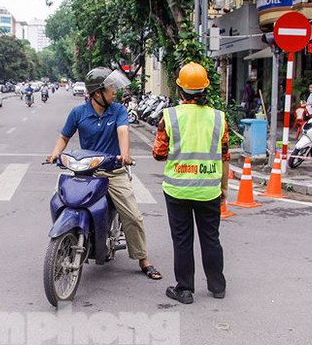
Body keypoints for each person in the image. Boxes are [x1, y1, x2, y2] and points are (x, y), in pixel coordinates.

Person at [47, 66, 162, 280]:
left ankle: (143, 259)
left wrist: (125, 154)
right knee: (61, 201)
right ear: (97, 93)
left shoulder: (117, 110)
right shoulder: (78, 113)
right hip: (85, 172)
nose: (114, 92)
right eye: (110, 88)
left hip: (112, 171)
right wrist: (55, 153)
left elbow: (122, 132)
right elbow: (64, 137)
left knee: (133, 216)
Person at [152, 62, 229, 304]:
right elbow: (224, 156)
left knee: (182, 239)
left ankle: (185, 289)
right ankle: (217, 286)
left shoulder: (170, 117)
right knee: (211, 238)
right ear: (205, 89)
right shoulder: (219, 118)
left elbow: (158, 153)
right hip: (209, 190)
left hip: (178, 190)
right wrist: (224, 187)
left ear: (180, 91)